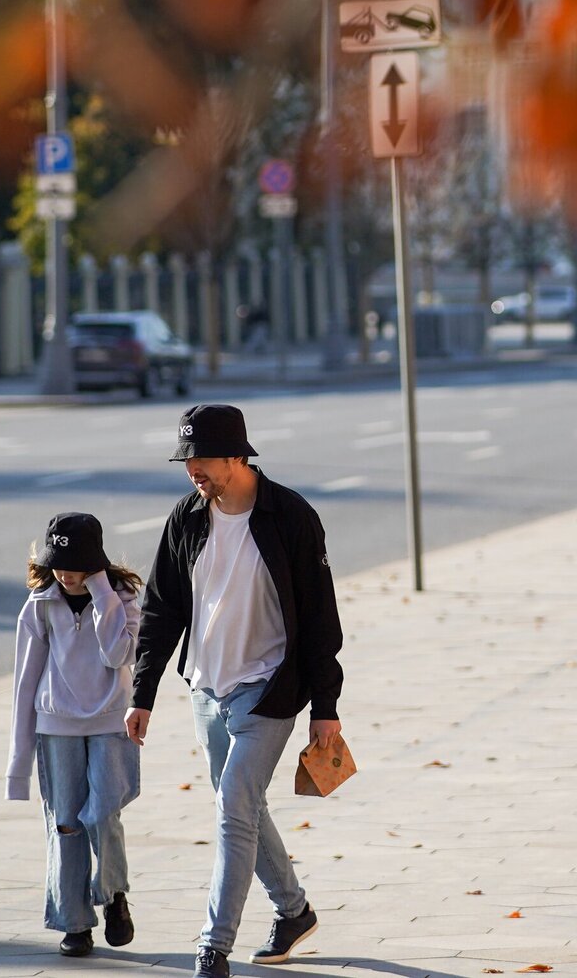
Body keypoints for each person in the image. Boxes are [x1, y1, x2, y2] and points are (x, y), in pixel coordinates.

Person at [127, 403, 344, 978]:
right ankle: (294, 911)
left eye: (200, 459)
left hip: (268, 689)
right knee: (242, 806)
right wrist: (141, 693)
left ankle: (212, 946)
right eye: (186, 461)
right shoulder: (187, 518)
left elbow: (321, 615)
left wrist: (327, 707)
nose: (191, 470)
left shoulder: (289, 516)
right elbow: (161, 609)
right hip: (206, 688)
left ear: (235, 456)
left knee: (232, 810)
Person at [6, 512, 144, 958]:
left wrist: (103, 594)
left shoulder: (122, 599)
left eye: (75, 564)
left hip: (110, 723)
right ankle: (75, 922)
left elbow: (118, 654)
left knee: (103, 814)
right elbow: (25, 681)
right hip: (56, 726)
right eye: (57, 563)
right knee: (65, 823)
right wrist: (17, 766)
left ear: (96, 563)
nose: (65, 574)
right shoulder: (39, 604)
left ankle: (114, 895)